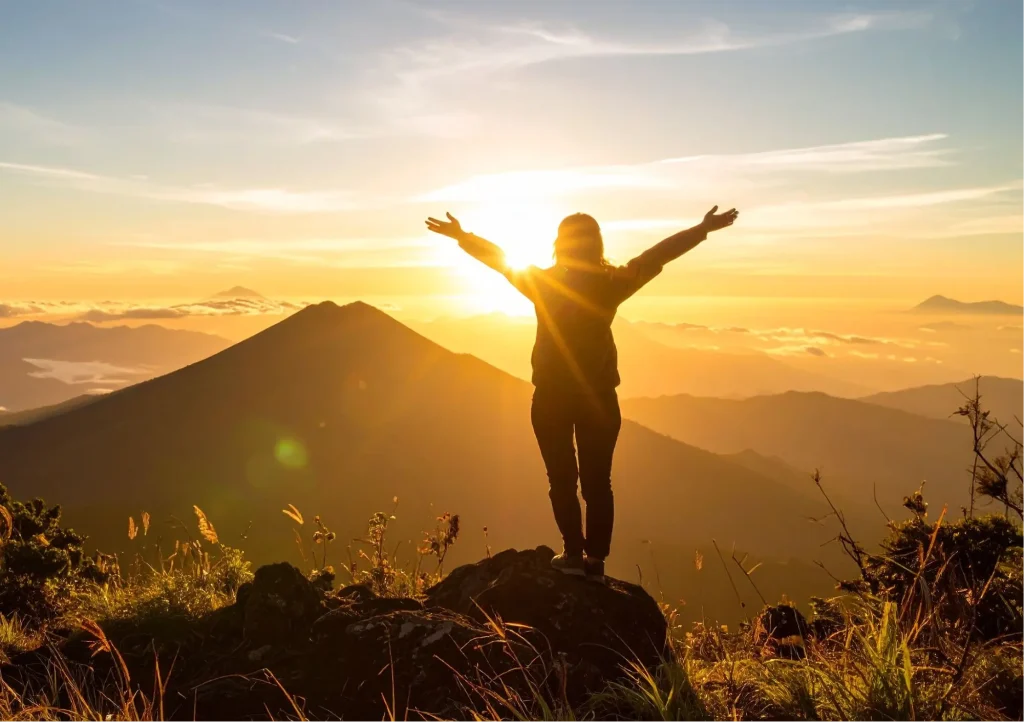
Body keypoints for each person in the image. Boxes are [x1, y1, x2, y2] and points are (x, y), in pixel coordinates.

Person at [426, 206, 738, 580]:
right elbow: (658, 255)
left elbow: (500, 260)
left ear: (559, 245)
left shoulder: (543, 283)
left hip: (551, 398)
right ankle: (595, 563)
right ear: (597, 244)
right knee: (597, 483)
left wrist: (463, 237)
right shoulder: (612, 282)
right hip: (599, 399)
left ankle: (573, 555)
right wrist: (700, 229)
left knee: (561, 480)